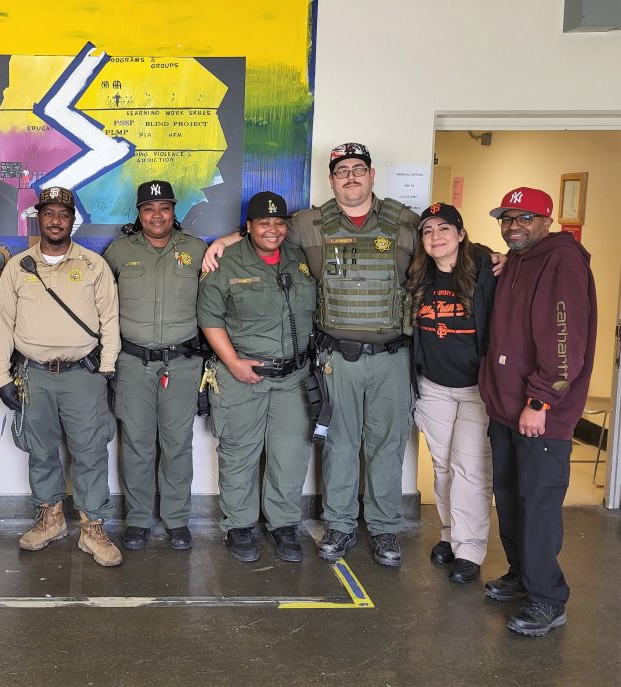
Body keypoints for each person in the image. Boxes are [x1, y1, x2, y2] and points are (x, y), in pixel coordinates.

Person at [204, 143, 419, 566]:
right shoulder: (310, 223)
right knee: (338, 443)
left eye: (359, 170)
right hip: (335, 357)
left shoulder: (406, 222)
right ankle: (338, 525)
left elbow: (447, 245)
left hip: (390, 355)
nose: (351, 177)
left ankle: (383, 529)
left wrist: (492, 260)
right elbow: (264, 231)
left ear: (372, 175)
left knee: (387, 445)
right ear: (331, 179)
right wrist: (224, 241)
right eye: (342, 172)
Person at [479, 186, 596, 637]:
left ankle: (548, 598)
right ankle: (521, 574)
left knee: (539, 503)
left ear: (547, 221)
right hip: (507, 408)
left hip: (540, 412)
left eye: (525, 218)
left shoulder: (562, 261)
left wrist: (541, 400)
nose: (514, 226)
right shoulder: (520, 261)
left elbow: (565, 341)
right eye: (508, 218)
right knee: (509, 496)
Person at [0, 186, 123, 567]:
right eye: (48, 213)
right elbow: (4, 323)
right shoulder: (18, 267)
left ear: (72, 221)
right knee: (41, 450)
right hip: (34, 375)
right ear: (39, 218)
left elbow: (110, 320)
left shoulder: (94, 266)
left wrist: (107, 368)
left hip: (83, 375)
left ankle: (92, 527)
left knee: (91, 452)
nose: (55, 220)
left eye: (63, 214)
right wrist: (1, 375)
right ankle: (50, 519)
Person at [196, 192, 316, 562]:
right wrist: (232, 362)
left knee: (290, 455)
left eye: (279, 223)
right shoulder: (226, 262)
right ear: (247, 227)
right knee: (238, 454)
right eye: (264, 222)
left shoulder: (300, 259)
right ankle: (240, 526)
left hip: (292, 378)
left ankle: (283, 525)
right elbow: (209, 317)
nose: (273, 229)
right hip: (240, 375)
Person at [102, 180, 207, 552]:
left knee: (178, 443)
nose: (157, 215)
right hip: (132, 364)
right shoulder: (119, 251)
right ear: (139, 213)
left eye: (164, 207)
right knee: (137, 444)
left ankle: (177, 520)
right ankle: (138, 519)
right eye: (149, 208)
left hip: (182, 364)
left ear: (174, 210)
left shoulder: (196, 250)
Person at [406, 203, 496, 583]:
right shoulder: (419, 277)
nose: (436, 236)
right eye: (428, 230)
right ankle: (450, 535)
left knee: (471, 471)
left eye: (445, 228)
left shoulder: (487, 272)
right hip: (434, 388)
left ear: (461, 234)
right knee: (442, 469)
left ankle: (470, 549)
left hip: (477, 389)